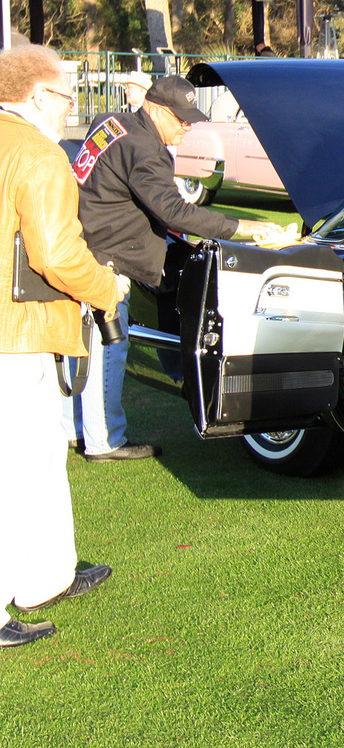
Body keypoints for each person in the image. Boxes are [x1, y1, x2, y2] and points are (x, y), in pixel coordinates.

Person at [71, 76, 282, 461]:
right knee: (109, 346)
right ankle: (103, 440)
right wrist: (243, 227)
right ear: (153, 110)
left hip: (83, 238)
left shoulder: (111, 121)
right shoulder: (145, 148)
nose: (188, 126)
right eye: (180, 119)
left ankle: (75, 427)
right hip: (104, 255)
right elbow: (174, 211)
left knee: (81, 345)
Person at [1, 43, 122, 648]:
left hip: (14, 326)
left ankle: (46, 574)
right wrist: (107, 288)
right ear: (37, 95)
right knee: (17, 467)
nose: (70, 106)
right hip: (15, 331)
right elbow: (56, 254)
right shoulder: (37, 152)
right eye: (66, 94)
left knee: (42, 454)